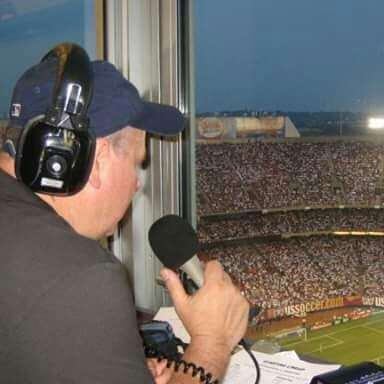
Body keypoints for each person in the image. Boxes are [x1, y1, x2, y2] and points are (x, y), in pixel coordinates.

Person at [0, 51, 249, 384]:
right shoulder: (79, 277)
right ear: (98, 158)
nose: (136, 183)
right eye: (137, 162)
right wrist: (211, 344)